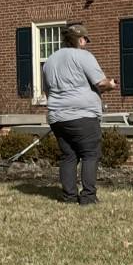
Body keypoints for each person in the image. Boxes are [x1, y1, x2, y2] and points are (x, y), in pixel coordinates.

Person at [38, 22, 115, 205]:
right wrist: (111, 84)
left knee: (68, 156)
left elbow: (47, 92)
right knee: (90, 154)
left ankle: (69, 197)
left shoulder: (49, 61)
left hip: (57, 117)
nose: (86, 43)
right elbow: (100, 83)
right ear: (80, 40)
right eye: (86, 40)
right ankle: (88, 197)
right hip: (83, 115)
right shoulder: (83, 56)